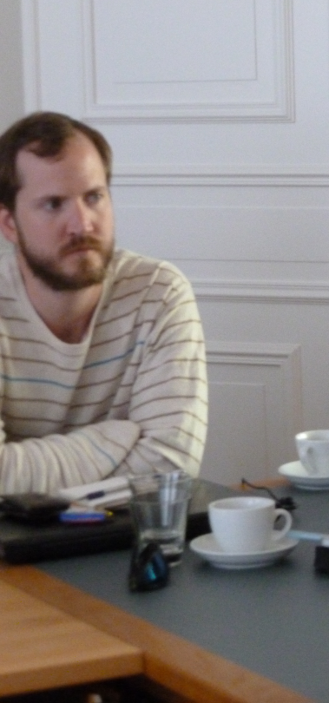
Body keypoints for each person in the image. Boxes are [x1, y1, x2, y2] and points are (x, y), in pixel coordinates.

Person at [0, 111, 207, 494]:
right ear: (9, 224)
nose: (82, 224)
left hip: (127, 528)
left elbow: (171, 464)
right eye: (53, 204)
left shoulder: (158, 293)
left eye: (94, 197)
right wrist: (112, 438)